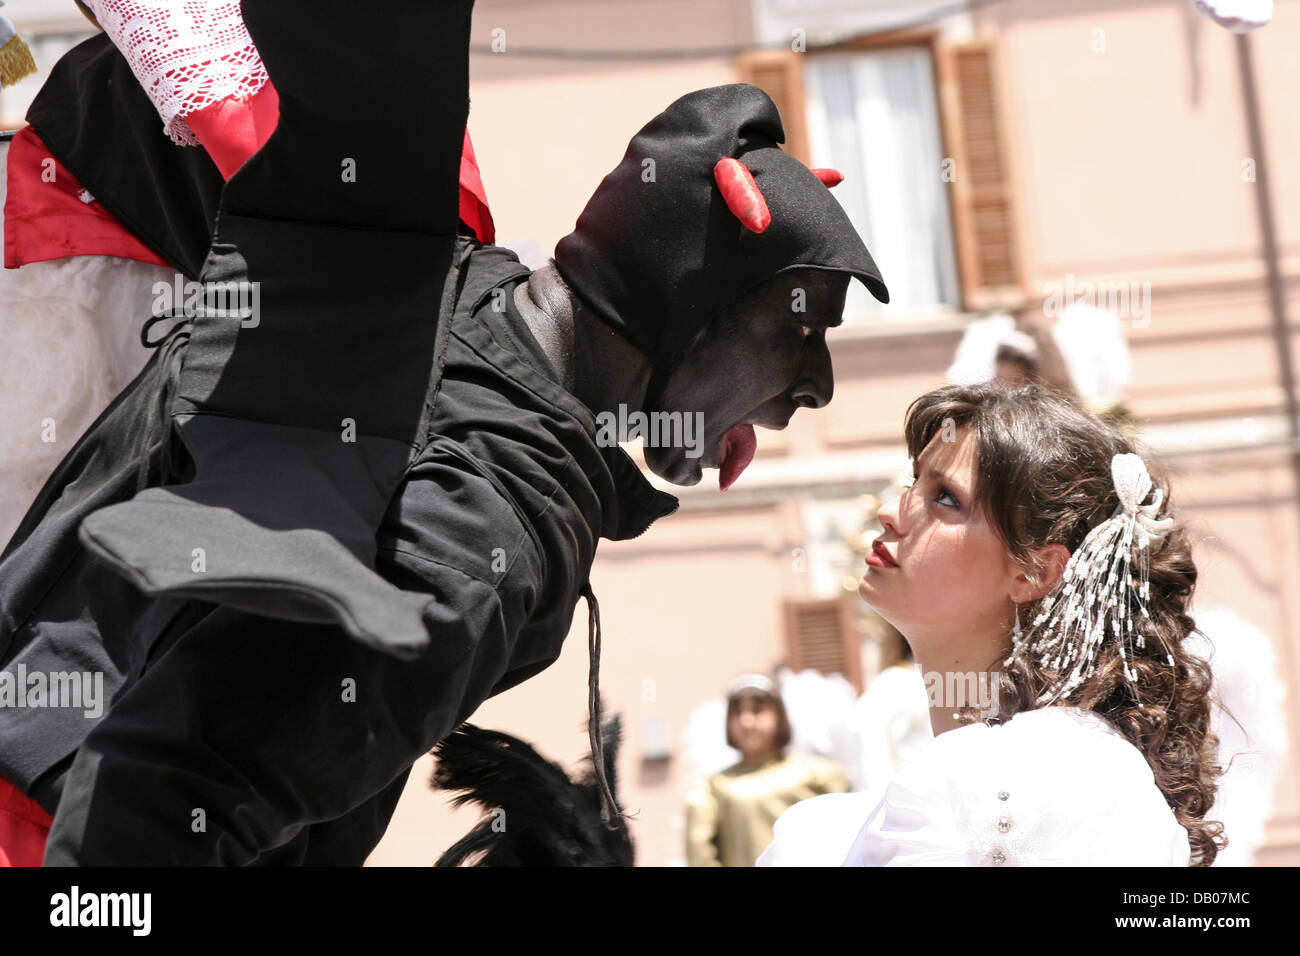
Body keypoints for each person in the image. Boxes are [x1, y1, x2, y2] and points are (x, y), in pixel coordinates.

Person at [0, 1, 889, 865]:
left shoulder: (418, 263)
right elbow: (163, 790)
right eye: (800, 330)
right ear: (688, 302)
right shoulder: (477, 537)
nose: (816, 387)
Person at [758, 381, 1225, 866]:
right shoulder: (825, 832)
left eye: (945, 498)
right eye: (912, 482)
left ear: (1034, 572)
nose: (889, 512)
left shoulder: (1070, 773)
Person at [685, 675, 849, 866]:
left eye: (758, 710)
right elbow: (700, 855)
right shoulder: (714, 788)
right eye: (737, 712)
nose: (746, 722)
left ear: (779, 715)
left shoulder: (819, 775)